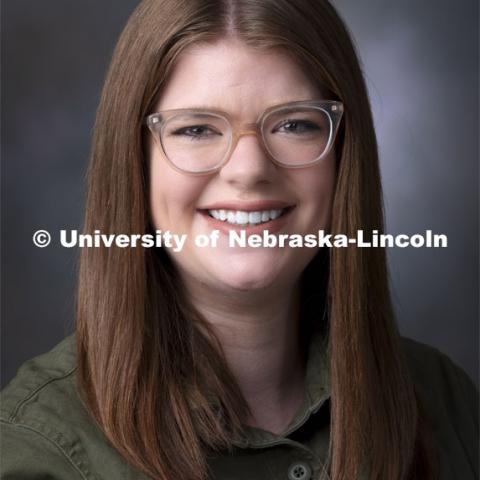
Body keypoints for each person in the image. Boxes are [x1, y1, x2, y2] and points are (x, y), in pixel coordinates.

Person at [1, 1, 478, 479]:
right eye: (196, 129)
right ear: (135, 161)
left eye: (295, 124)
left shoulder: (444, 403)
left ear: (343, 156)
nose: (249, 170)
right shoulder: (40, 450)